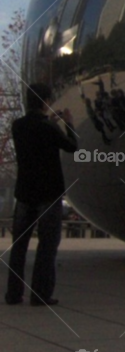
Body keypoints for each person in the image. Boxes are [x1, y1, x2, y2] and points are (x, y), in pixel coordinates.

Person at [5, 84, 79, 307]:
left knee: (19, 246)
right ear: (46, 101)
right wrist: (68, 123)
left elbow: (37, 136)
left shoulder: (18, 126)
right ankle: (40, 294)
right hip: (48, 193)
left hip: (25, 192)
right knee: (47, 245)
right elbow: (72, 146)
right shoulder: (49, 128)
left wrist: (51, 124)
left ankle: (13, 294)